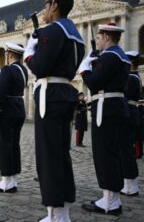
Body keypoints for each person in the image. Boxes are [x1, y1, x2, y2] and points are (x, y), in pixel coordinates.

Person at [23, 0, 85, 221]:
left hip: (49, 95)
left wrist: (31, 49)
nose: (45, 11)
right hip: (65, 94)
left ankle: (55, 213)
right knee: (61, 154)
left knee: (48, 155)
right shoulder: (75, 33)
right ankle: (63, 209)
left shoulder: (54, 31)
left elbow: (38, 67)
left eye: (47, 5)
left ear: (55, 6)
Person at [79, 23, 129, 216]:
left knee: (105, 155)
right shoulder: (120, 56)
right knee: (112, 155)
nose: (97, 41)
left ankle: (109, 203)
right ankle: (111, 198)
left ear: (107, 38)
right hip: (114, 108)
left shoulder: (109, 56)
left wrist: (85, 68)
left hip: (107, 110)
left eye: (99, 38)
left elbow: (93, 83)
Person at [0, 42, 28, 193]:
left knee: (3, 145)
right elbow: (13, 86)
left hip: (6, 110)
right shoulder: (23, 70)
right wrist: (1, 75)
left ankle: (6, 180)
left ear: (10, 55)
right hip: (18, 108)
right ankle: (13, 179)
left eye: (5, 55)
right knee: (14, 145)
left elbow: (0, 93)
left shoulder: (7, 69)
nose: (5, 57)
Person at [120, 50, 141, 196]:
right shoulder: (135, 77)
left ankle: (129, 185)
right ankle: (130, 183)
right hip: (132, 112)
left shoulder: (130, 78)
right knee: (128, 149)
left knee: (125, 150)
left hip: (128, 113)